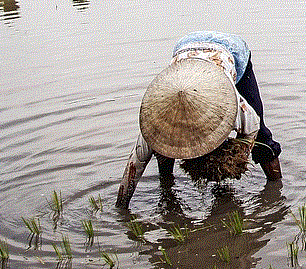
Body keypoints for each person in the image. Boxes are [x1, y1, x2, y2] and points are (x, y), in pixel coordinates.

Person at [117, 31, 282, 207]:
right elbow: (134, 168)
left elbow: (252, 130)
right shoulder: (154, 124)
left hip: (232, 50)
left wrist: (231, 162)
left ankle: (277, 192)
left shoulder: (235, 107)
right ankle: (167, 189)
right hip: (185, 47)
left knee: (263, 139)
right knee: (163, 149)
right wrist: (122, 207)